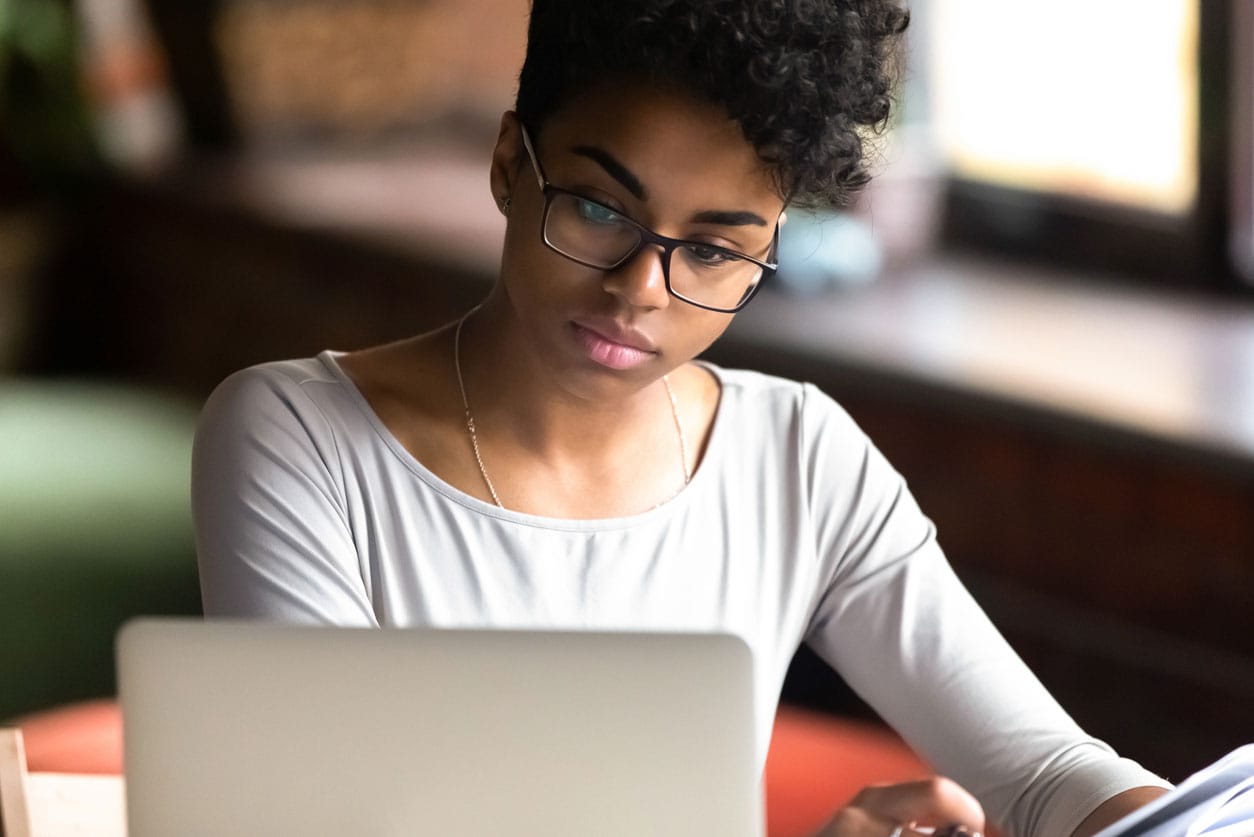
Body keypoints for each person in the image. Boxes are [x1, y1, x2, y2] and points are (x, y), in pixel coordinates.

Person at [191, 2, 1172, 835]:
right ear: (507, 165)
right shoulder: (297, 442)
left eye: (712, 251)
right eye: (600, 210)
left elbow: (1043, 773)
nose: (640, 289)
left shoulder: (798, 458)